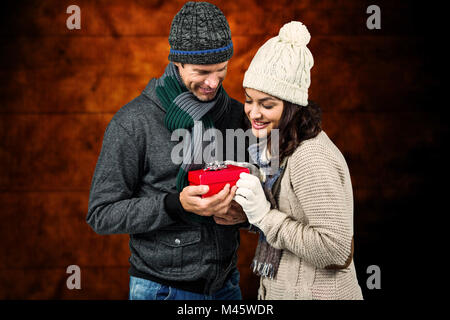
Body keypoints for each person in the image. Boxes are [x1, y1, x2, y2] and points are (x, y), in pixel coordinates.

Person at [86, 2, 248, 300]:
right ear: (178, 63)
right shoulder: (134, 122)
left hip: (227, 287)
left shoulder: (238, 115)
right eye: (202, 72)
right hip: (161, 290)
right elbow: (101, 214)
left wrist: (246, 215)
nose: (213, 83)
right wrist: (175, 205)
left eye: (221, 70)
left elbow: (262, 193)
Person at [234, 21, 364, 300]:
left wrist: (265, 217)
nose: (253, 113)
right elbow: (292, 217)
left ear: (291, 107)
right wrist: (245, 212)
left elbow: (337, 251)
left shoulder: (310, 156)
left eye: (267, 104)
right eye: (249, 100)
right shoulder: (280, 145)